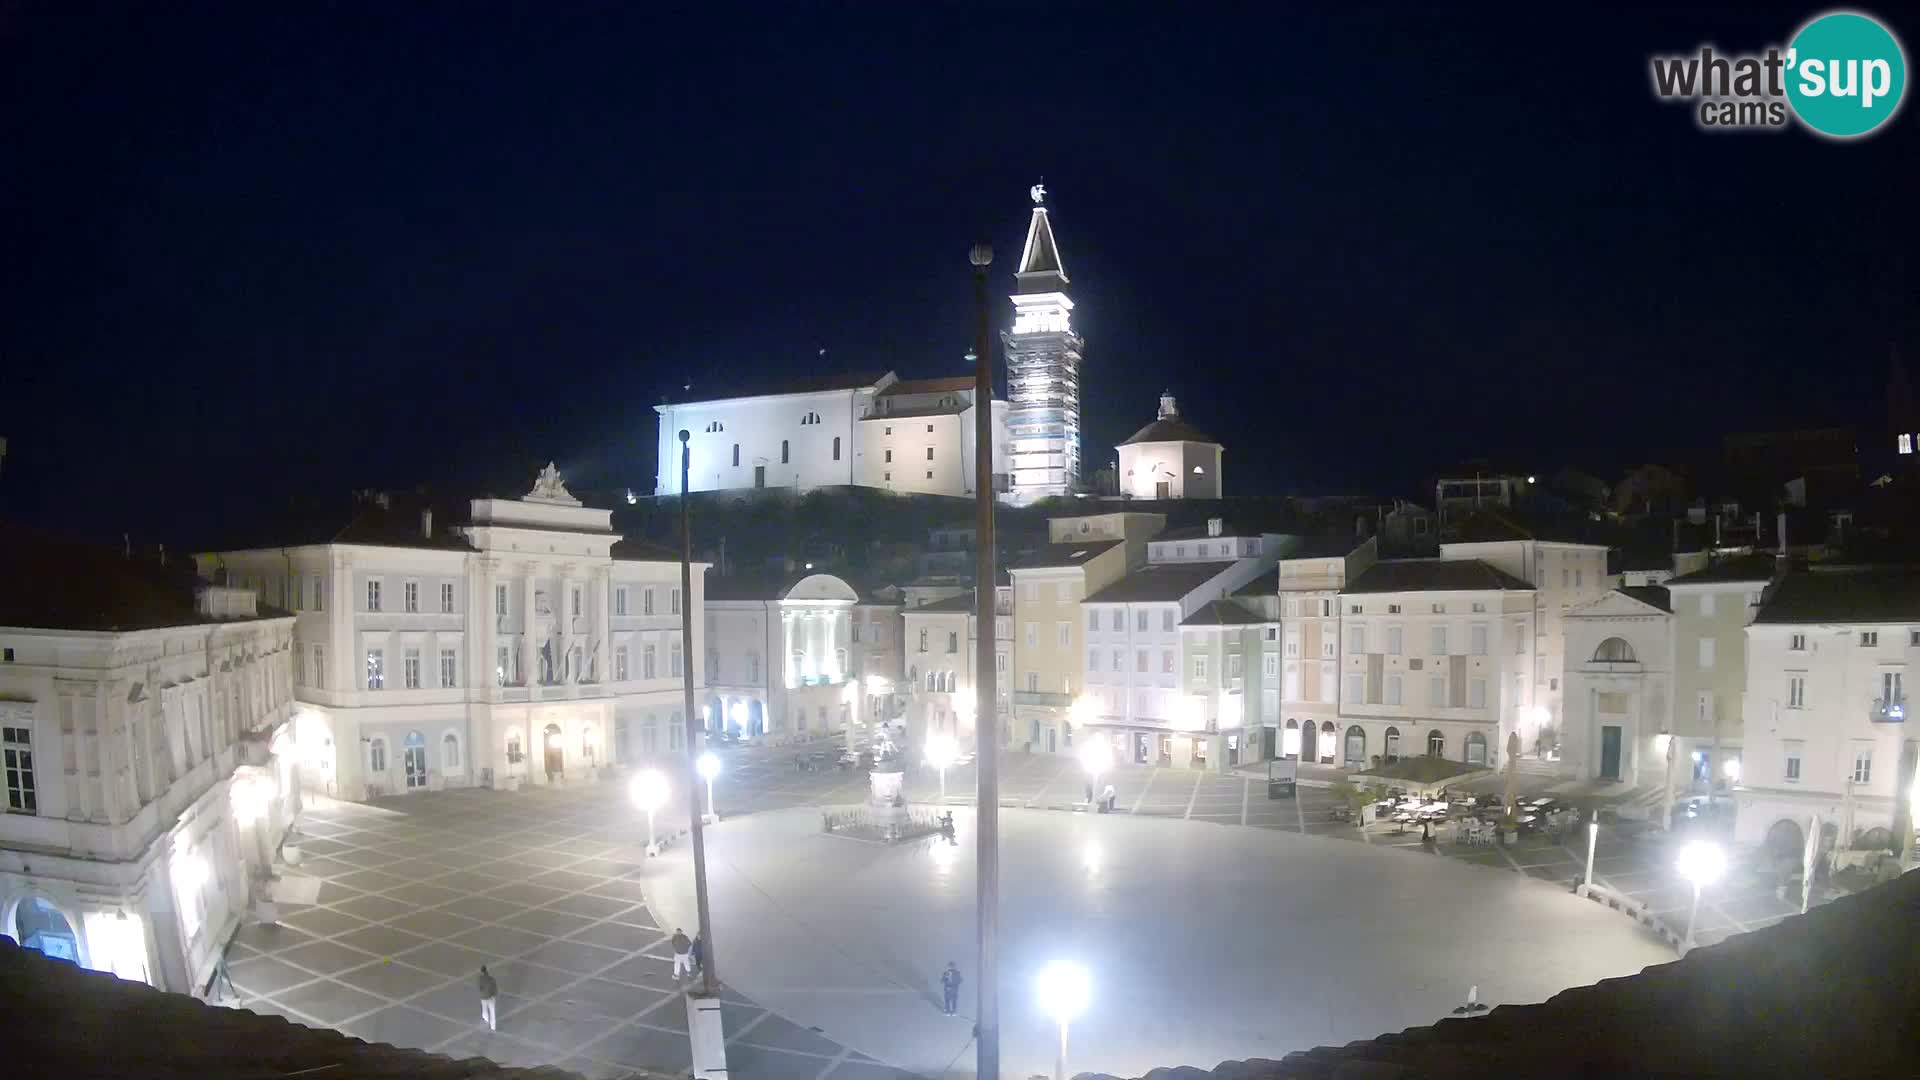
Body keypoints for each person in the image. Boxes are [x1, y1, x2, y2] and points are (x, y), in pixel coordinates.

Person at [477, 965, 498, 1030]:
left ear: (481, 971)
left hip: (483, 997)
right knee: (492, 1011)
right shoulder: (491, 979)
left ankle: (486, 1019)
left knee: (484, 1008)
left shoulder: (480, 979)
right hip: (491, 997)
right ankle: (493, 1026)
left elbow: (479, 988)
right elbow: (495, 988)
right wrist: (494, 995)